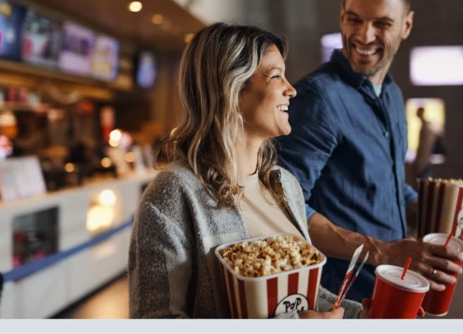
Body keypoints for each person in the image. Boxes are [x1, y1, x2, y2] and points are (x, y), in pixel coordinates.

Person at [276, 0, 463, 303]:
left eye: (382, 24)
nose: (364, 36)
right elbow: (284, 208)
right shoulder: (317, 97)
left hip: (395, 289)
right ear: (341, 16)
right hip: (341, 298)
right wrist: (383, 251)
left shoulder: (392, 95)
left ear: (406, 25)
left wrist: (455, 228)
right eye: (354, 20)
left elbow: (389, 189)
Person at [128, 23, 366, 319]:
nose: (291, 90)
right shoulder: (174, 193)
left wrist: (370, 313)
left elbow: (302, 295)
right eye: (276, 76)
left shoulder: (285, 185)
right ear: (233, 89)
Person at [412, 106, 436, 179]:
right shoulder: (425, 125)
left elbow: (426, 147)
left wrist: (421, 164)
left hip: (424, 162)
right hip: (424, 161)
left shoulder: (426, 127)